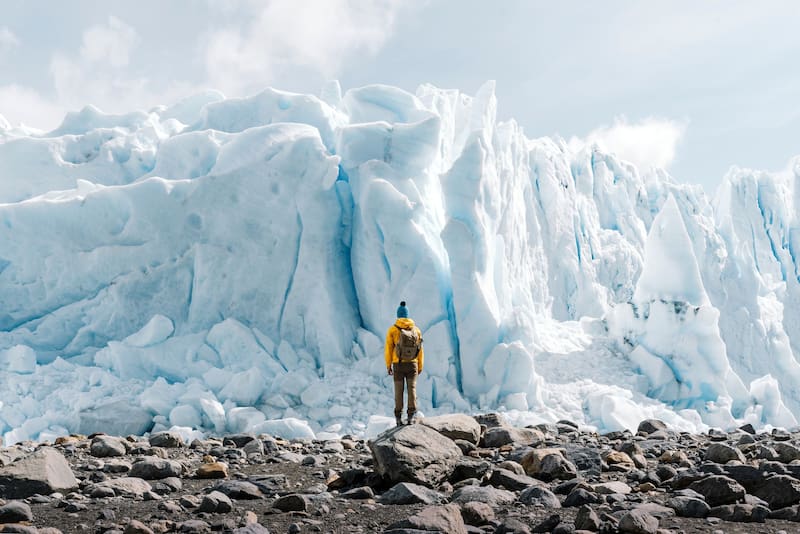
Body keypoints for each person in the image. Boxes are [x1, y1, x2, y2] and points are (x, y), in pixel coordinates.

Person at [385, 300, 424, 426]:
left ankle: (398, 418)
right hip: (413, 364)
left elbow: (388, 348)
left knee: (399, 390)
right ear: (407, 315)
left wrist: (388, 365)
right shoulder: (416, 330)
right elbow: (420, 349)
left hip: (398, 365)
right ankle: (411, 416)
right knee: (412, 389)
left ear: (398, 315)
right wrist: (420, 365)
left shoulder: (393, 330)